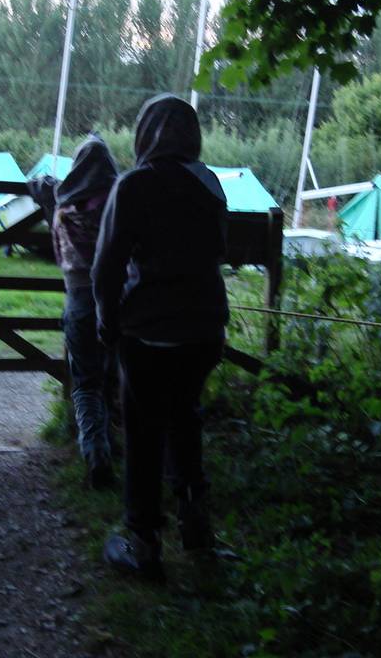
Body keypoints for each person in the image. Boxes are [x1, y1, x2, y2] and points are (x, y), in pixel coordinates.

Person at [93, 94, 229, 580]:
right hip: (205, 332)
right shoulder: (209, 184)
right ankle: (196, 529)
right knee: (185, 420)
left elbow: (106, 265)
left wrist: (107, 322)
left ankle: (144, 543)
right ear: (192, 135)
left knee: (144, 434)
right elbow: (219, 247)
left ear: (145, 134)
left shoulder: (133, 185)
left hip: (149, 333)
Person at [28, 135, 118, 489]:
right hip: (116, 300)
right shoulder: (118, 204)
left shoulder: (63, 206)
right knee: (112, 377)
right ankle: (113, 444)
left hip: (78, 300)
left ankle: (95, 450)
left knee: (85, 385)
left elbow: (42, 187)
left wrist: (45, 186)